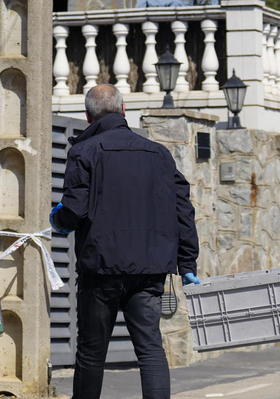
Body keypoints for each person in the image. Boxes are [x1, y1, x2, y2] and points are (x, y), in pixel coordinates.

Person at [50, 84, 199, 399]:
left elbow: (73, 210)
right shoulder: (159, 154)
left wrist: (57, 220)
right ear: (123, 111)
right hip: (150, 269)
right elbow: (182, 208)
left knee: (92, 352)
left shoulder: (84, 151)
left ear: (88, 115)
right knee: (149, 347)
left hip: (100, 270)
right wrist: (187, 263)